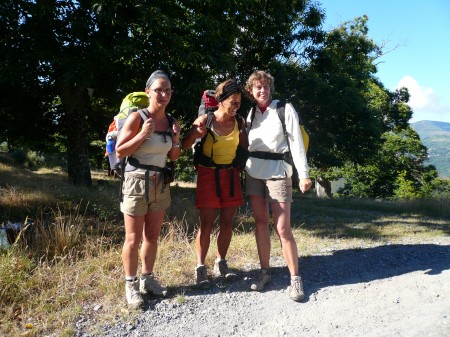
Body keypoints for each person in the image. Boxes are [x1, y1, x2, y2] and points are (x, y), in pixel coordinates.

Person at [115, 70, 182, 308]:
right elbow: (120, 151)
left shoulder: (172, 122)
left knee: (152, 236)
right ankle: (131, 285)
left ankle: (148, 279)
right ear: (148, 92)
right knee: (133, 238)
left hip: (159, 182)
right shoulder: (137, 118)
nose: (163, 94)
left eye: (167, 90)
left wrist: (176, 139)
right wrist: (143, 134)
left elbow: (173, 156)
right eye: (158, 90)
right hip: (135, 181)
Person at [244, 70, 312, 302]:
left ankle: (295, 278)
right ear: (251, 91)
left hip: (278, 173)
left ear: (270, 88)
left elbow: (296, 144)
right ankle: (265, 273)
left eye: (265, 86)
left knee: (283, 228)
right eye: (257, 87)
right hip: (253, 173)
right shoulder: (251, 113)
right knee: (261, 223)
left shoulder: (284, 109)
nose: (262, 90)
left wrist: (303, 174)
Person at [181, 79, 247, 288]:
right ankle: (201, 268)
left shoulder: (240, 122)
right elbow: (184, 145)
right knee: (206, 224)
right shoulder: (205, 120)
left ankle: (222, 262)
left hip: (230, 175)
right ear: (221, 100)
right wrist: (194, 133)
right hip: (208, 175)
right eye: (233, 102)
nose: (237, 106)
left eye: (239, 102)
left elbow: (244, 148)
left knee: (227, 223)